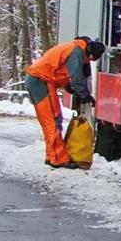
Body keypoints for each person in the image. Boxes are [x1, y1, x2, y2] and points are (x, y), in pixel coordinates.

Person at [25, 36, 103, 167]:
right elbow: (76, 77)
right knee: (53, 120)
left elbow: (64, 72)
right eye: (90, 58)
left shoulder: (74, 48)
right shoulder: (77, 52)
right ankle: (58, 159)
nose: (89, 61)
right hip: (42, 81)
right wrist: (85, 95)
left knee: (49, 121)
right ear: (89, 51)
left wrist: (71, 88)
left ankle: (52, 155)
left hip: (37, 80)